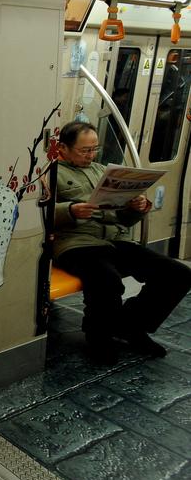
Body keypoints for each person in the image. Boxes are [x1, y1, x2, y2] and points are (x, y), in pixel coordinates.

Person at [53, 120, 190, 364]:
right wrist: (70, 210)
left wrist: (136, 208)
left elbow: (123, 220)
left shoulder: (101, 171)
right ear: (63, 148)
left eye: (95, 149)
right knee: (107, 279)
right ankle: (99, 337)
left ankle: (130, 326)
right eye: (85, 150)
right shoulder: (51, 173)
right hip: (77, 243)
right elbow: (39, 213)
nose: (91, 155)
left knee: (178, 273)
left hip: (114, 239)